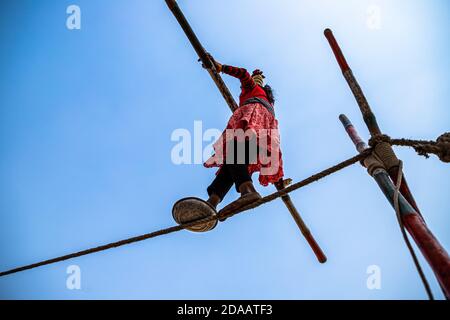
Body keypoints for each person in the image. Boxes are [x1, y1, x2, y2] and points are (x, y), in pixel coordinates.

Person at [203, 54, 284, 216]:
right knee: (231, 164)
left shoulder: (253, 90)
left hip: (253, 122)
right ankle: (212, 202)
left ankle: (248, 190)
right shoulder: (268, 102)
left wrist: (221, 68)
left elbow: (243, 74)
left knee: (235, 155)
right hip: (264, 131)